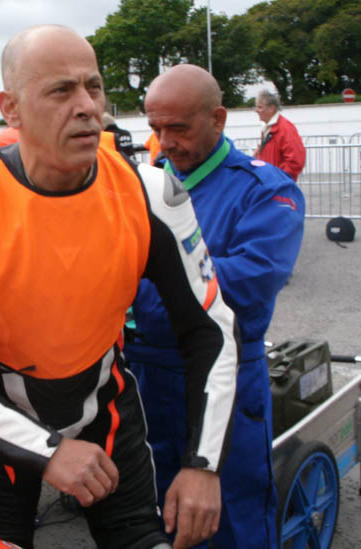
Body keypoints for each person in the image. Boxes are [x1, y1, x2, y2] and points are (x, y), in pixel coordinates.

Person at [0, 25, 239, 549]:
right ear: (11, 108)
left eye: (93, 86)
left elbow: (211, 328)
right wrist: (46, 451)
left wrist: (203, 464)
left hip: (104, 408)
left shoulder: (150, 191)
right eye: (61, 90)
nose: (87, 107)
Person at [124, 65, 305, 548]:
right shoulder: (140, 185)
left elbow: (250, 282)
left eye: (178, 128)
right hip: (139, 377)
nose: (164, 142)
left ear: (218, 119)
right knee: (149, 518)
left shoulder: (265, 190)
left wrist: (139, 275)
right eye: (155, 128)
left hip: (220, 380)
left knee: (230, 523)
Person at [254, 89, 306, 181]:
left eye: (260, 107)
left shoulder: (285, 128)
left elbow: (296, 161)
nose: (256, 110)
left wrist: (278, 179)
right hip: (270, 182)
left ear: (272, 108)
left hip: (278, 184)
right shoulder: (268, 128)